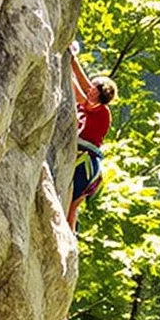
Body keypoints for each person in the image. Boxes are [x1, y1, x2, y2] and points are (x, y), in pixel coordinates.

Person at [66, 46, 117, 227]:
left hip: (86, 162)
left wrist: (71, 62)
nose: (89, 88)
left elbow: (83, 94)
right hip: (85, 161)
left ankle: (68, 244)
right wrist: (71, 63)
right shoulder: (87, 108)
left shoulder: (102, 112)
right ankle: (69, 241)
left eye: (93, 87)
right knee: (69, 206)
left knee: (71, 207)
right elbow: (81, 89)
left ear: (98, 91)